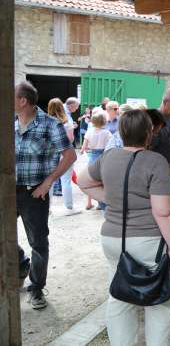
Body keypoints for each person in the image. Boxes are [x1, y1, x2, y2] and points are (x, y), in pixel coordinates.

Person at [77, 109, 170, 346]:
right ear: (149, 134)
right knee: (160, 301)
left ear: (121, 132)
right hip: (148, 242)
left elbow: (83, 181)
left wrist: (111, 198)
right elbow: (163, 210)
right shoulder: (155, 161)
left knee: (119, 296)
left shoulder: (108, 157)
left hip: (113, 239)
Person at [15, 81, 77, 309]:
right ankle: (21, 263)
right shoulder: (10, 124)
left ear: (23, 100)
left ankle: (36, 288)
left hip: (35, 193)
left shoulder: (50, 125)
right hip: (10, 192)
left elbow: (70, 156)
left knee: (39, 243)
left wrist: (48, 182)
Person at [47, 98, 80, 216]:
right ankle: (69, 206)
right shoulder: (67, 122)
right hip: (66, 153)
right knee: (66, 180)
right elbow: (71, 139)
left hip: (51, 153)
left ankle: (47, 208)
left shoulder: (46, 121)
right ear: (62, 107)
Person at [150, 89, 170, 183]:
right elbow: (148, 151)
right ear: (165, 103)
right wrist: (168, 167)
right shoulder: (154, 120)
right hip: (158, 175)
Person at [81, 111, 112, 210]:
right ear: (104, 121)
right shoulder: (107, 133)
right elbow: (110, 147)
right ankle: (103, 205)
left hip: (92, 158)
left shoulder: (89, 132)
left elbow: (83, 148)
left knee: (93, 182)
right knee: (103, 183)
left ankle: (95, 203)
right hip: (104, 158)